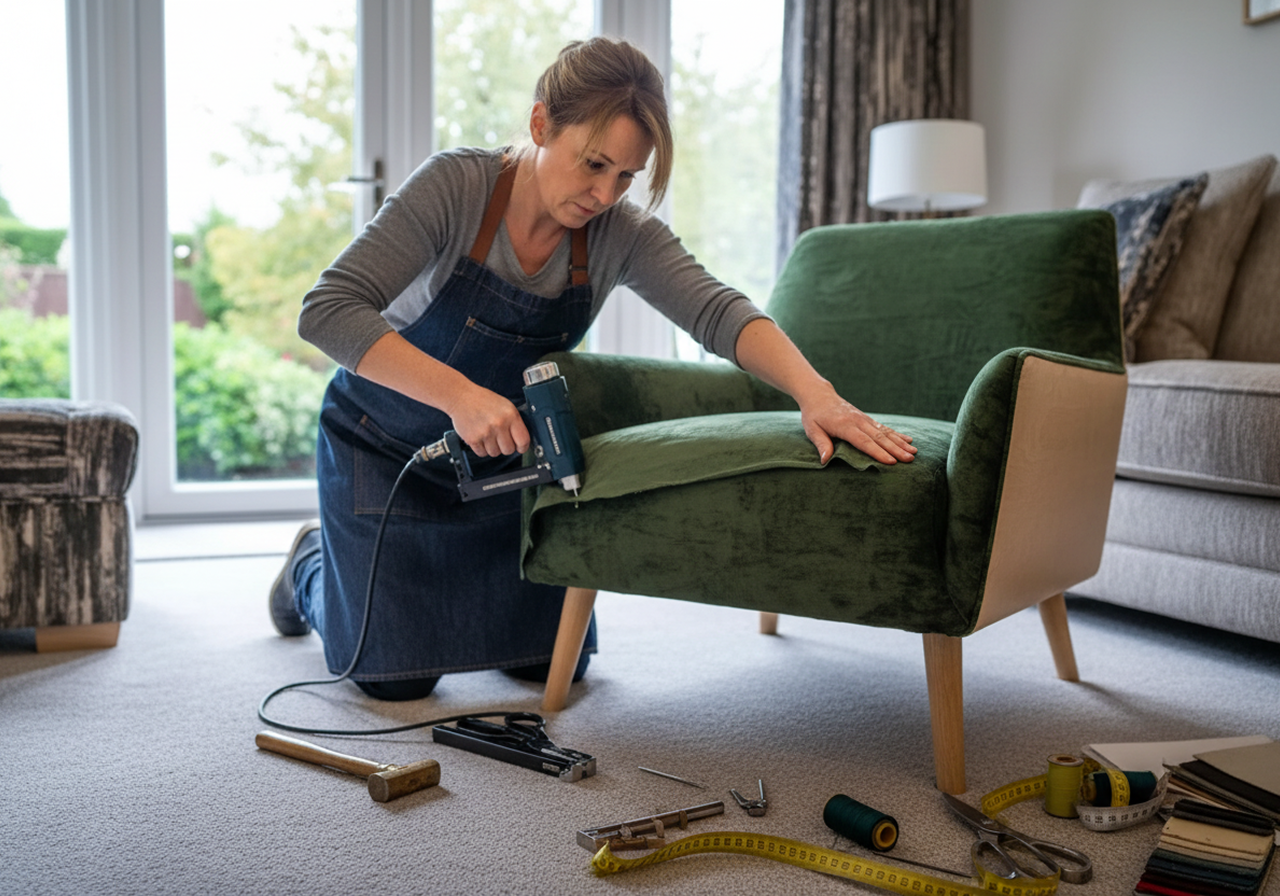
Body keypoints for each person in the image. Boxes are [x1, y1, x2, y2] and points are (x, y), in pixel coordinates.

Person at [268, 36, 916, 701]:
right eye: (594, 164)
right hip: (383, 446)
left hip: (499, 470)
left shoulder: (621, 235)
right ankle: (310, 566)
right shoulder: (456, 187)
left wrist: (818, 395)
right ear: (541, 123)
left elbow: (719, 312)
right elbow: (327, 310)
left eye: (627, 176)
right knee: (390, 681)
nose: (605, 194)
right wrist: (460, 396)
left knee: (551, 664)